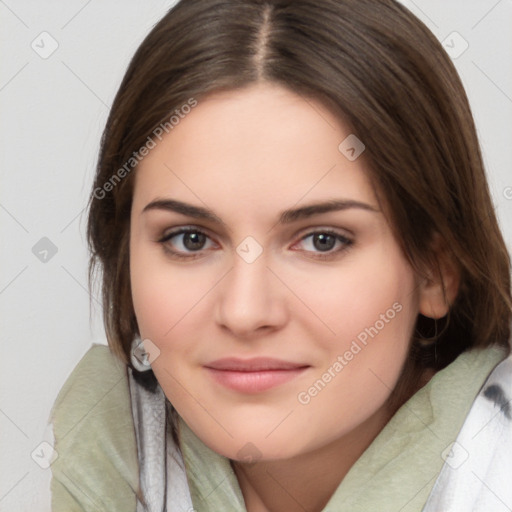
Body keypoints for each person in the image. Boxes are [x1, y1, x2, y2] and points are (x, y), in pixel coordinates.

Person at [48, 0, 512, 510]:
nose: (246, 312)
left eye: (322, 240)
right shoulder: (105, 452)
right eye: (191, 239)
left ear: (436, 270)